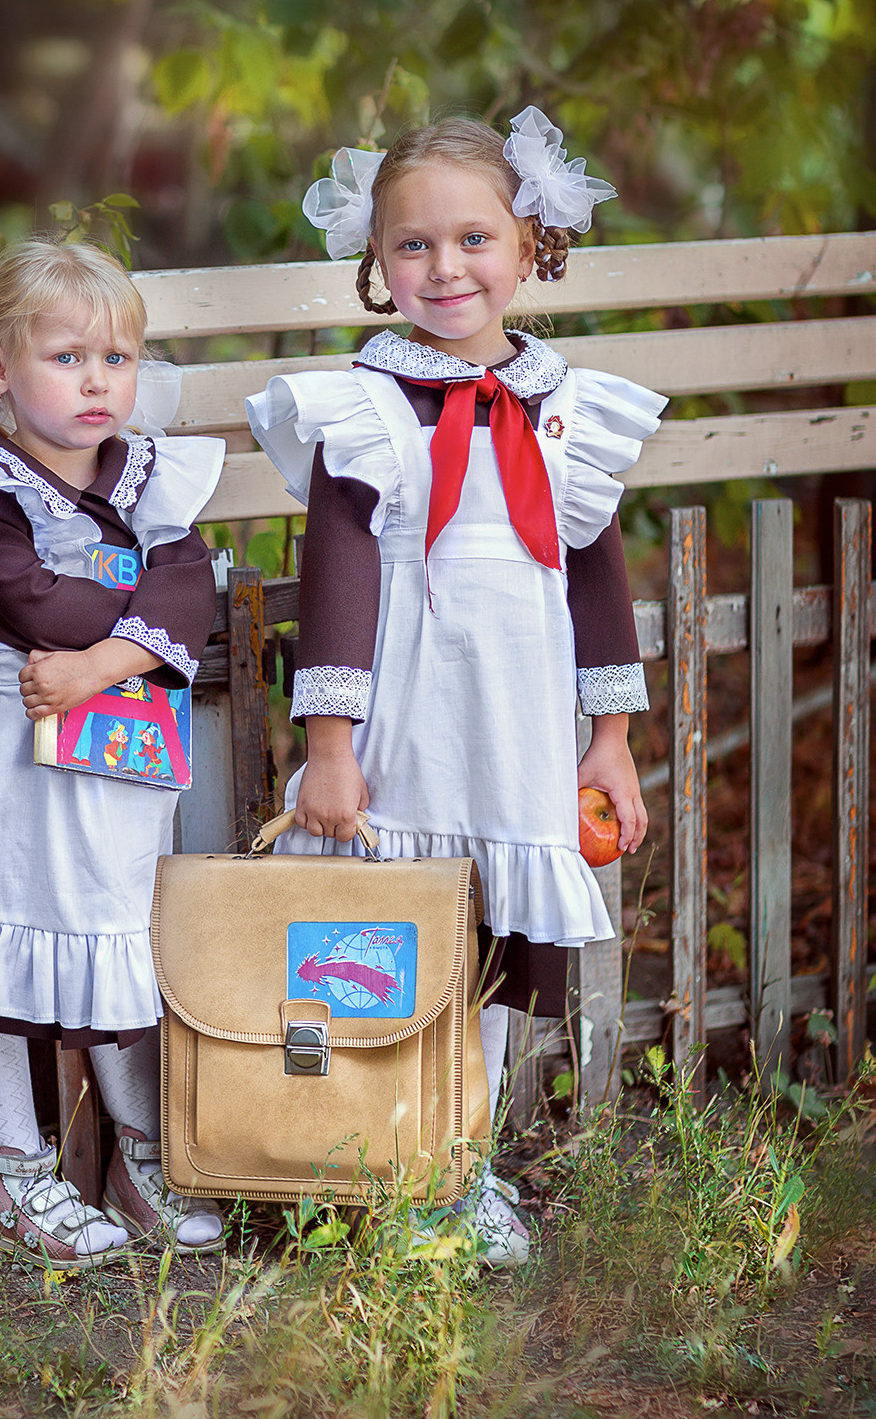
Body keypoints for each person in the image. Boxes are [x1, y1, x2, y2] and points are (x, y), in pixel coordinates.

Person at [245, 110, 667, 1267]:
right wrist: (330, 746)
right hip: (402, 726)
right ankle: (350, 1163)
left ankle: (454, 1170)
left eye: (473, 238)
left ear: (529, 244)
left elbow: (594, 578)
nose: (444, 268)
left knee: (484, 953)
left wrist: (610, 736)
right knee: (380, 943)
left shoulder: (564, 408)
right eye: (411, 246)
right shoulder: (363, 408)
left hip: (515, 726)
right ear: (376, 265)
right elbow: (331, 581)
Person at [0, 238, 227, 1267]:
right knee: (1, 945)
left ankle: (140, 1157)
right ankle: (15, 1175)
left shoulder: (153, 473)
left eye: (114, 358)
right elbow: (21, 594)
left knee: (120, 947)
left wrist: (101, 662)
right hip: (14, 769)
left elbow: (185, 592)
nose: (97, 380)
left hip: (116, 761)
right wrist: (124, 633)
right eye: (66, 357)